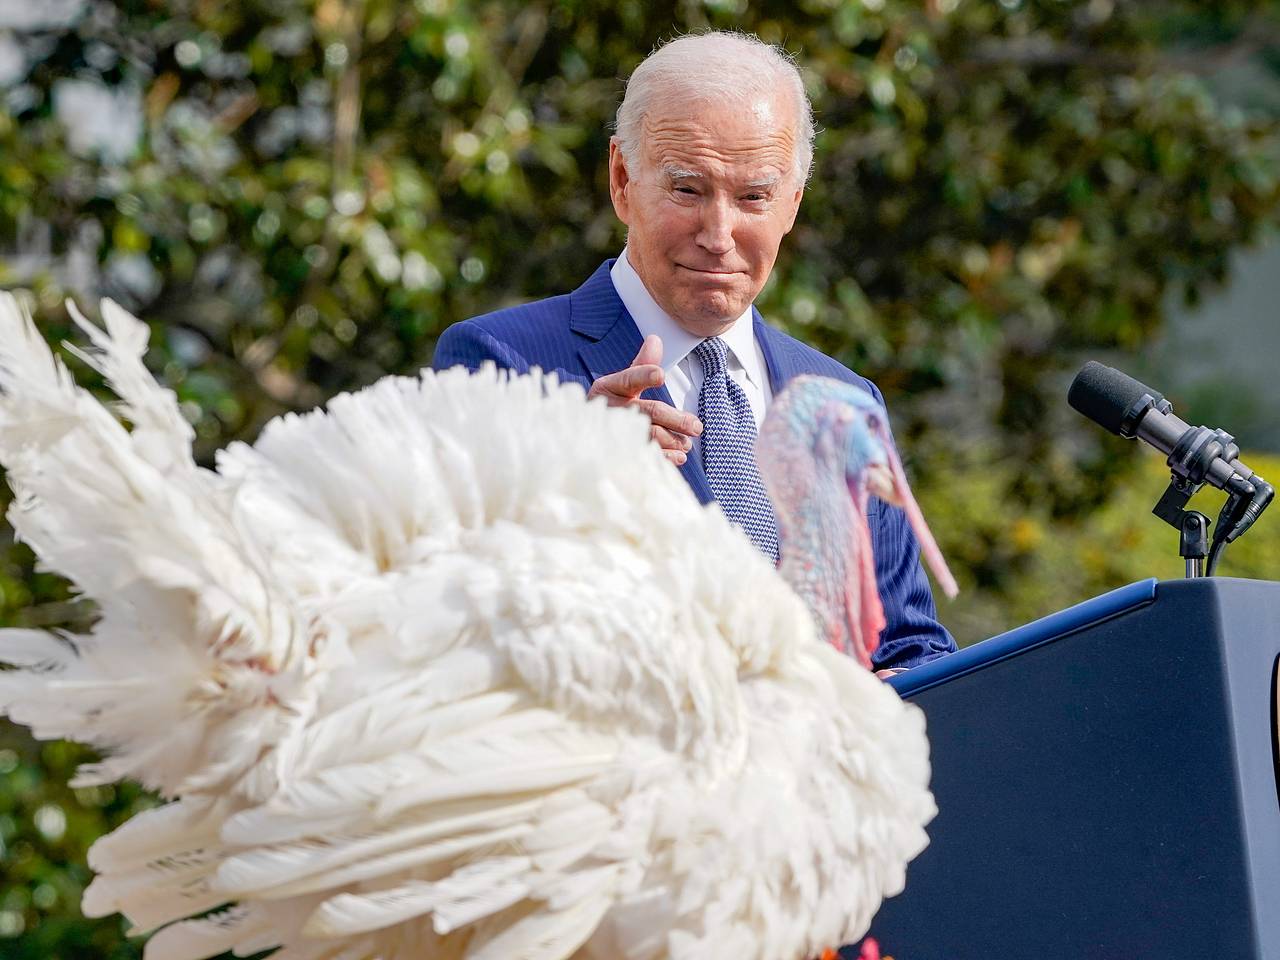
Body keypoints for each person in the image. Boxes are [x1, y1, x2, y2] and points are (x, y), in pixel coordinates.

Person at [432, 31, 954, 671]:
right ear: (623, 180)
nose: (718, 234)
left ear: (792, 204)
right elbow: (446, 618)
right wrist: (570, 478)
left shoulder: (843, 402)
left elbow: (911, 649)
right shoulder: (502, 365)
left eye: (753, 196)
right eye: (687, 189)